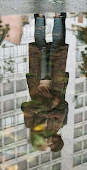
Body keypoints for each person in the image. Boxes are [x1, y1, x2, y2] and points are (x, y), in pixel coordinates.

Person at [21, 13, 69, 151]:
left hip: (38, 84)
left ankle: (40, 18)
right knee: (57, 48)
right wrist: (48, 104)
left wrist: (50, 105)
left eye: (44, 143)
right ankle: (58, 18)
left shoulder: (30, 124)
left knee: (39, 48)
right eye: (49, 143)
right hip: (56, 84)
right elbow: (62, 110)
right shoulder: (56, 126)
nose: (47, 141)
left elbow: (26, 107)